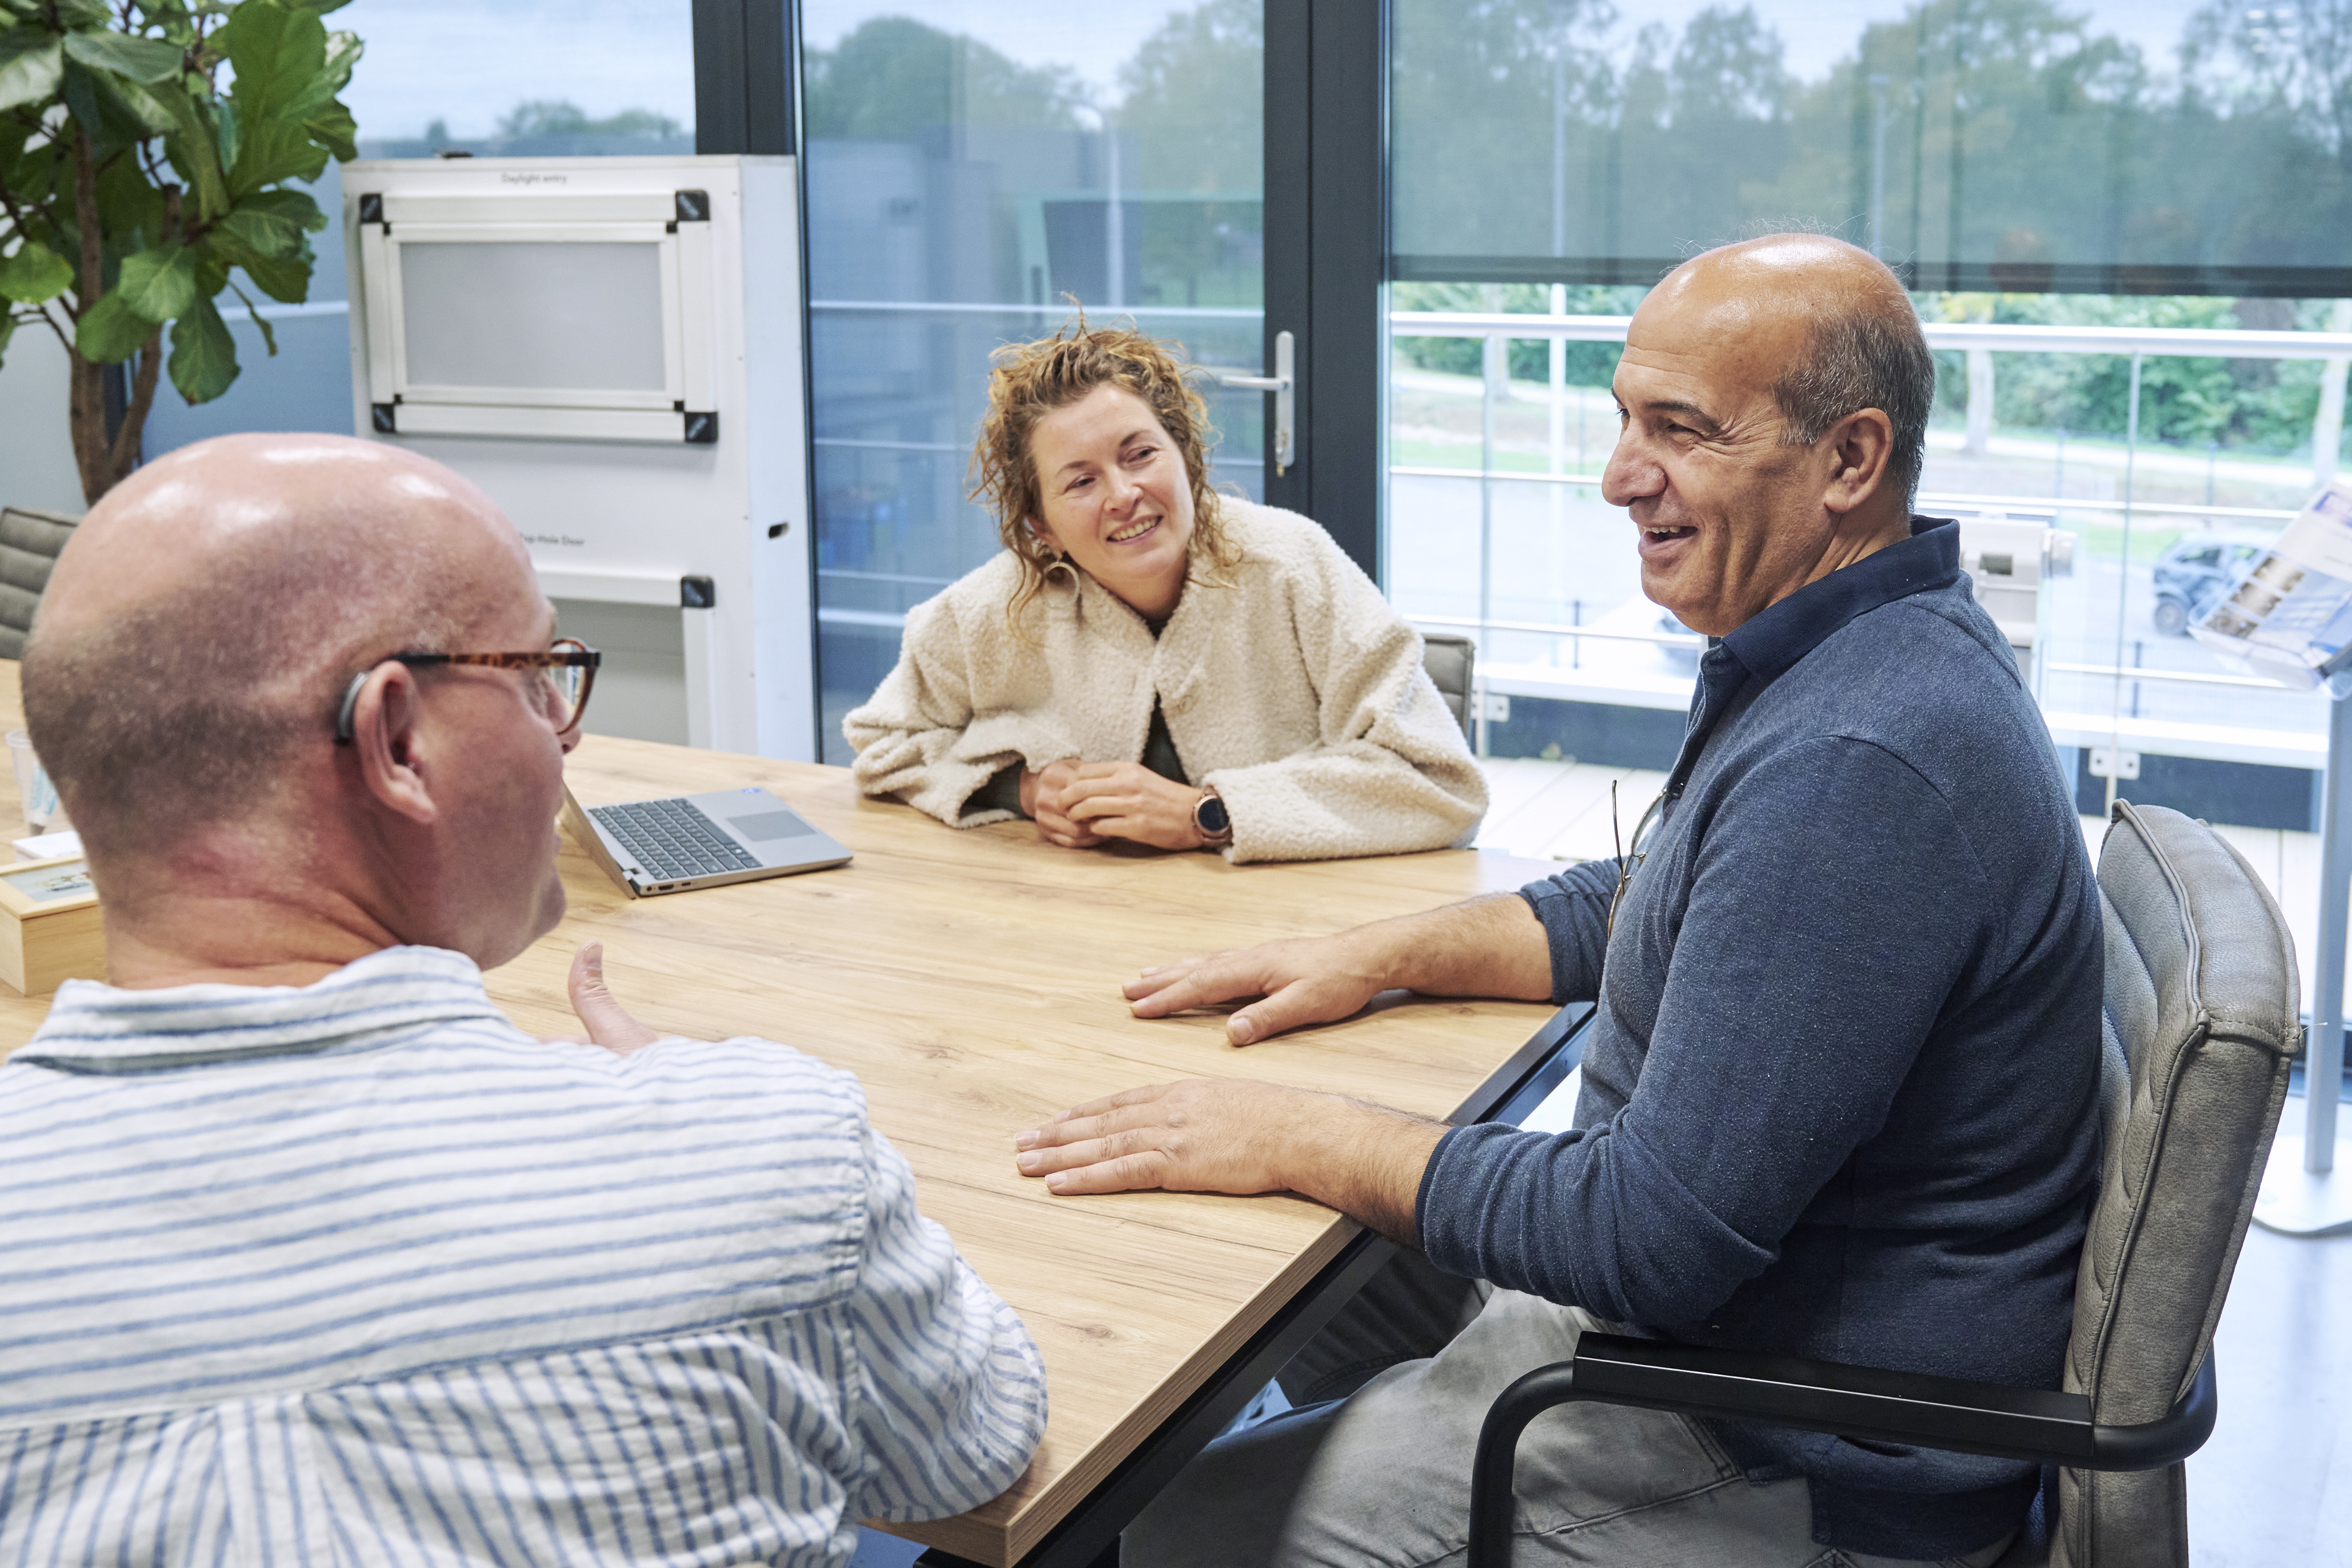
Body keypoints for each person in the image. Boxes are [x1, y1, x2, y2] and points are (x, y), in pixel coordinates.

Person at [1011, 236, 2103, 1565]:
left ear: (1851, 461)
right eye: (1625, 421)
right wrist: (1371, 952)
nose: (1619, 476)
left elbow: (1650, 1238)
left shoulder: (1859, 763)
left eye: (1682, 431)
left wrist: (1298, 1128)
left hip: (1771, 1443)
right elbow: (1638, 900)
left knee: (1156, 1524)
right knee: (1311, 1253)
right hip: (1709, 1340)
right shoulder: (1853, 654)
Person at [0, 434, 1045, 1562]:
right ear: (397, 741)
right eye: (537, 677)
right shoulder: (762, 1153)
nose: (567, 730)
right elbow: (977, 1444)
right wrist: (686, 1104)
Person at [844, 321, 1486, 864]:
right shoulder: (993, 609)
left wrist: (1209, 814)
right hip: (1080, 928)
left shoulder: (1296, 564)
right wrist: (1023, 789)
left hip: (1299, 929)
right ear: (1041, 527)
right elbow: (885, 744)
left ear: (1186, 455)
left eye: (1140, 454)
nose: (1124, 495)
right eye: (1081, 482)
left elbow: (1438, 783)